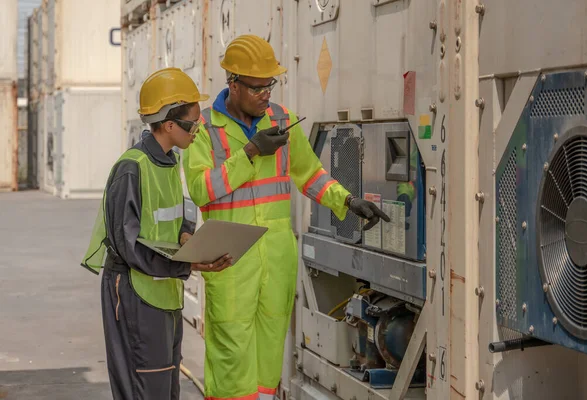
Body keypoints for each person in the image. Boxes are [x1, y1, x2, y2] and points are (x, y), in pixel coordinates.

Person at [182, 35, 390, 400]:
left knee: (269, 354)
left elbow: (310, 175)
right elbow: (202, 189)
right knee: (231, 356)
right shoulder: (205, 128)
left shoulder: (282, 120)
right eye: (258, 86)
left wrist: (348, 201)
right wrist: (249, 152)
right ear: (233, 83)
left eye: (270, 85)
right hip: (229, 262)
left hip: (275, 259)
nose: (266, 93)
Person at [80, 67, 233, 400]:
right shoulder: (131, 168)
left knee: (164, 385)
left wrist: (190, 240)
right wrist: (189, 265)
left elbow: (178, 217)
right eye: (194, 122)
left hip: (163, 293)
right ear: (169, 125)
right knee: (144, 386)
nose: (200, 128)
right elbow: (129, 247)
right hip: (135, 294)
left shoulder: (168, 162)